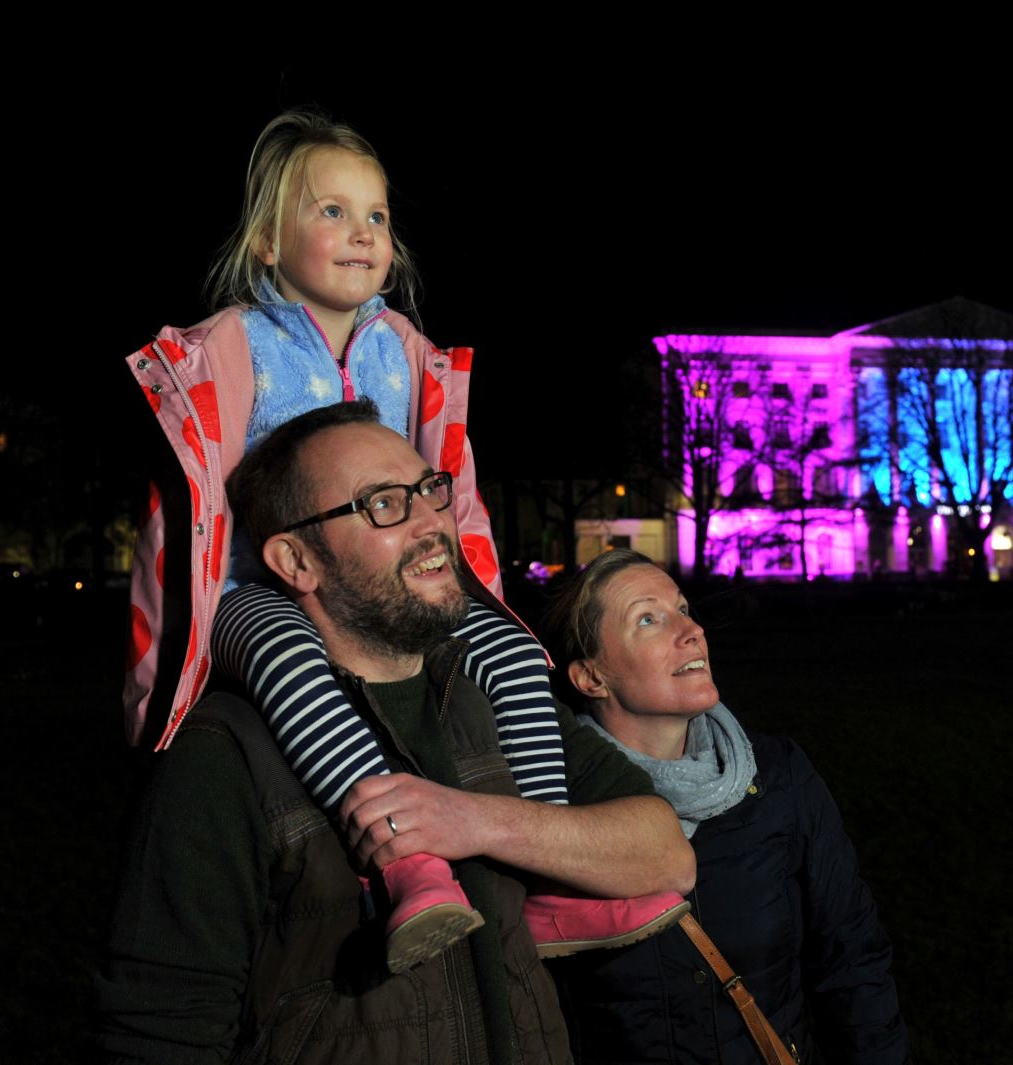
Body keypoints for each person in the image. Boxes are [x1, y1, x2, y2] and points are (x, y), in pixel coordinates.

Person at [122, 110, 682, 971]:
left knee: (509, 647)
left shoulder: (406, 353)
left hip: (384, 580)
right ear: (268, 243)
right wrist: (167, 672)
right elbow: (191, 509)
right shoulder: (236, 347)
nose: (362, 234)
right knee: (286, 654)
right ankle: (408, 862)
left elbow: (446, 492)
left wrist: (470, 589)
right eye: (332, 212)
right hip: (255, 587)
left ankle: (549, 880)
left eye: (377, 216)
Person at [96, 403, 696, 1064]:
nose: (431, 522)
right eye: (382, 503)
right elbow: (159, 1032)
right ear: (296, 559)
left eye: (429, 490)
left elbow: (666, 855)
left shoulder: (493, 702)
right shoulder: (223, 754)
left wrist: (478, 822)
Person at [542, 549, 910, 1065]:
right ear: (591, 678)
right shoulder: (554, 811)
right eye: (648, 619)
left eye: (684, 609)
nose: (691, 631)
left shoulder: (779, 776)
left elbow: (852, 961)